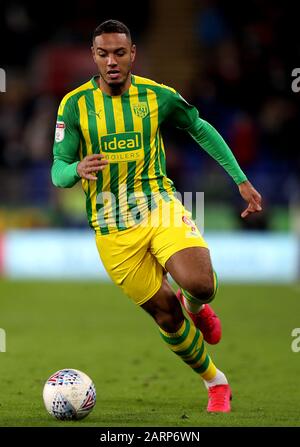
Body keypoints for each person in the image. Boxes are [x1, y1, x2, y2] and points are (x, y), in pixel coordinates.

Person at [51, 19, 262, 413]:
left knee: (201, 283)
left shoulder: (158, 96)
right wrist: (75, 171)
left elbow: (200, 128)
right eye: (103, 53)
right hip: (111, 227)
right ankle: (216, 382)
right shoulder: (74, 105)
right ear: (93, 57)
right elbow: (57, 167)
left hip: (158, 206)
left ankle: (197, 305)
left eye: (119, 52)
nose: (111, 61)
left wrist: (240, 180)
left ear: (133, 54)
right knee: (165, 316)